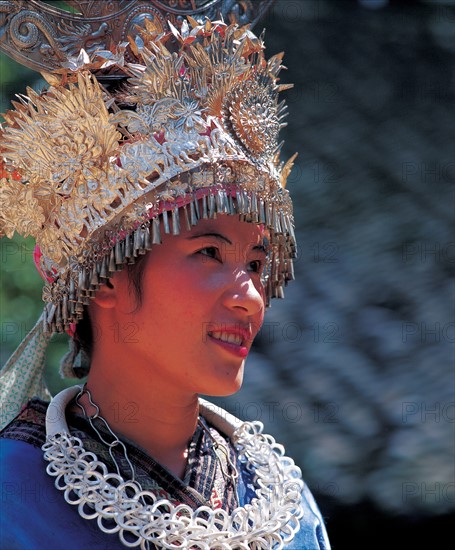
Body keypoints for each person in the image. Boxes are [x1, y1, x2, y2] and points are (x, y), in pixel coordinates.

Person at [0, 15, 330, 549]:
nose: (249, 296)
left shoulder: (285, 511)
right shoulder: (12, 497)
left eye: (255, 263)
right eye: (208, 252)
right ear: (105, 274)